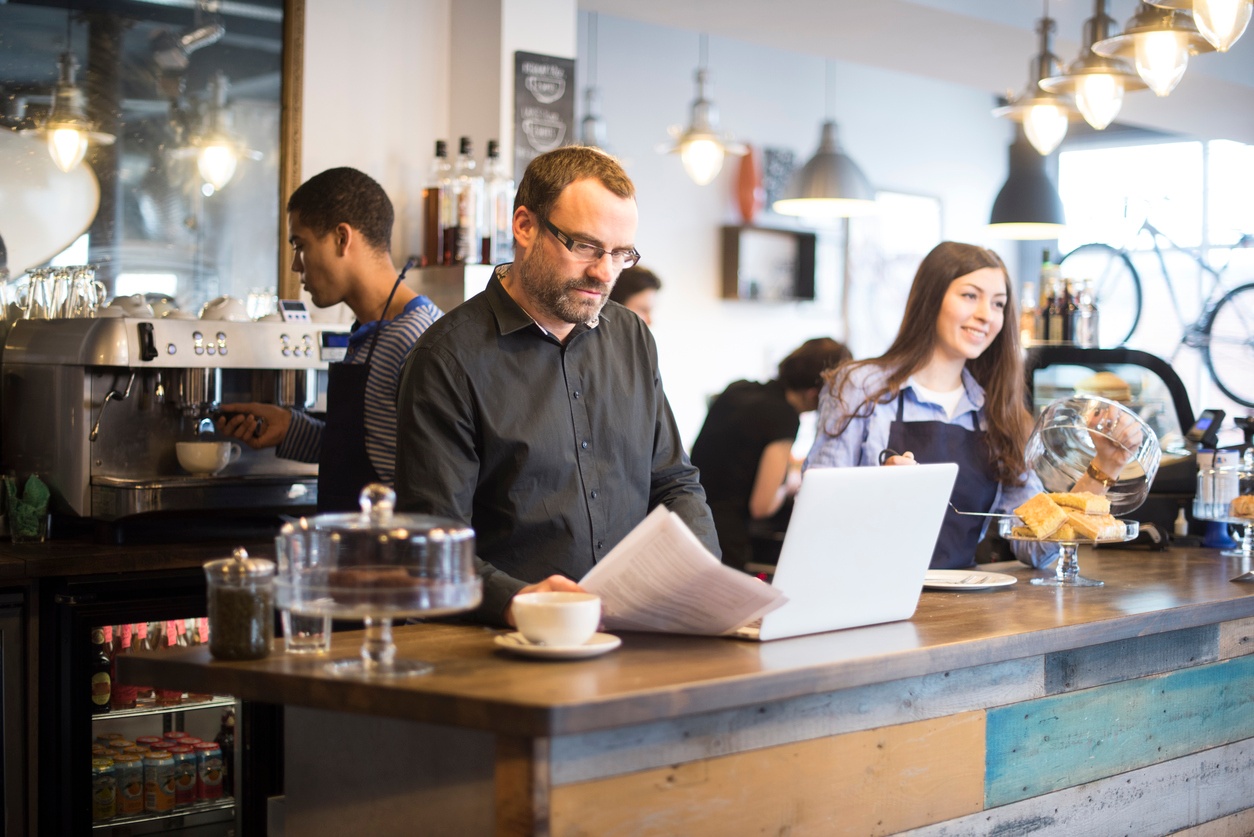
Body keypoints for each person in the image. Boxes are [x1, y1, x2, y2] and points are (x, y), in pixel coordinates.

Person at [394, 145, 719, 627]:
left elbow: (673, 482)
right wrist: (517, 599)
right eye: (585, 246)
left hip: (636, 634)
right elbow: (431, 544)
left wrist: (710, 582)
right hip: (507, 648)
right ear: (524, 226)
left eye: (620, 253)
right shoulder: (447, 359)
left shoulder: (631, 336)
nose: (604, 272)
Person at [805, 241, 1132, 569]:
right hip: (863, 600)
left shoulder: (997, 413)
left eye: (998, 304)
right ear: (931, 298)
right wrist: (880, 489)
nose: (985, 315)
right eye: (970, 296)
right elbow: (814, 512)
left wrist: (1104, 467)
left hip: (962, 609)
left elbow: (1040, 544)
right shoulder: (860, 387)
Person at [216, 167, 442, 512]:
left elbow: (433, 486)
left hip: (388, 558)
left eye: (300, 245)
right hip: (354, 551)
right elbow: (370, 451)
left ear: (341, 238)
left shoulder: (415, 339)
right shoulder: (369, 332)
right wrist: (289, 428)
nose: (295, 265)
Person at [691, 337, 852, 571]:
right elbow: (763, 505)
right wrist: (791, 483)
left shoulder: (739, 388)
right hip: (722, 542)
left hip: (687, 522)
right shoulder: (784, 417)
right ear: (813, 393)